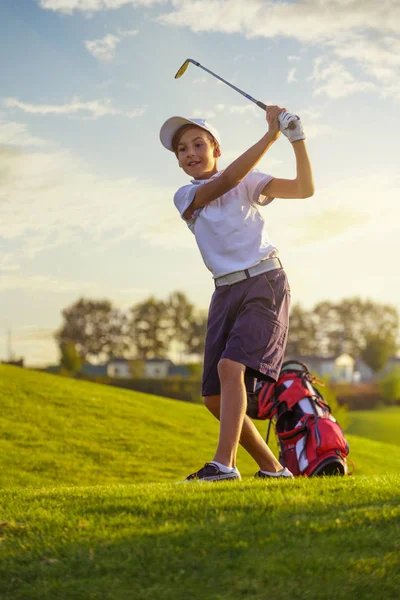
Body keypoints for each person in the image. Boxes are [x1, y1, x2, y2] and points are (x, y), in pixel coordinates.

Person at [159, 106, 314, 482]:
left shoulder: (249, 182)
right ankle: (274, 469)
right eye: (182, 149)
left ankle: (224, 465)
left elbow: (304, 189)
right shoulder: (186, 196)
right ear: (179, 162)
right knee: (214, 396)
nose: (191, 153)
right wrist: (270, 135)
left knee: (230, 368)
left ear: (216, 148)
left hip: (265, 282)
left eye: (199, 144)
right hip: (224, 292)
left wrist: (296, 138)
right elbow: (226, 181)